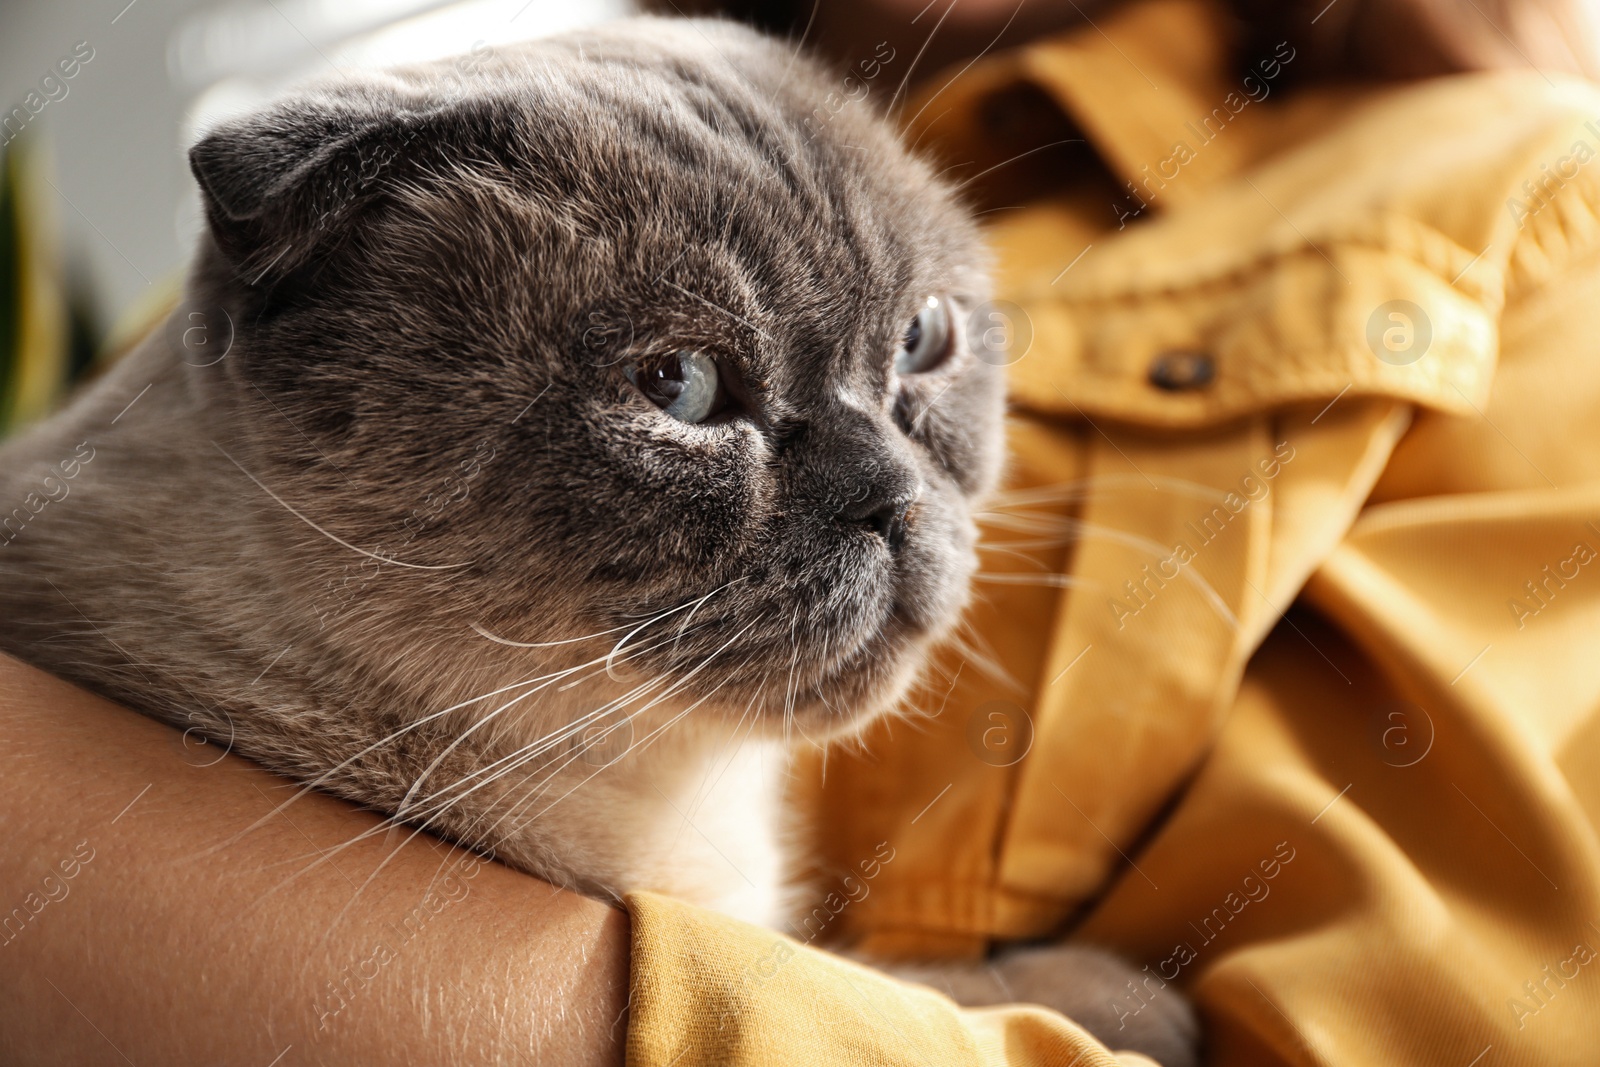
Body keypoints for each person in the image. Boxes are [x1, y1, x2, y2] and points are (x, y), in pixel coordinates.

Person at [7, 0, 1600, 1062]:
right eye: (685, 388)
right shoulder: (501, 121)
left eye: (922, 357)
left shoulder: (1519, 208)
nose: (897, 492)